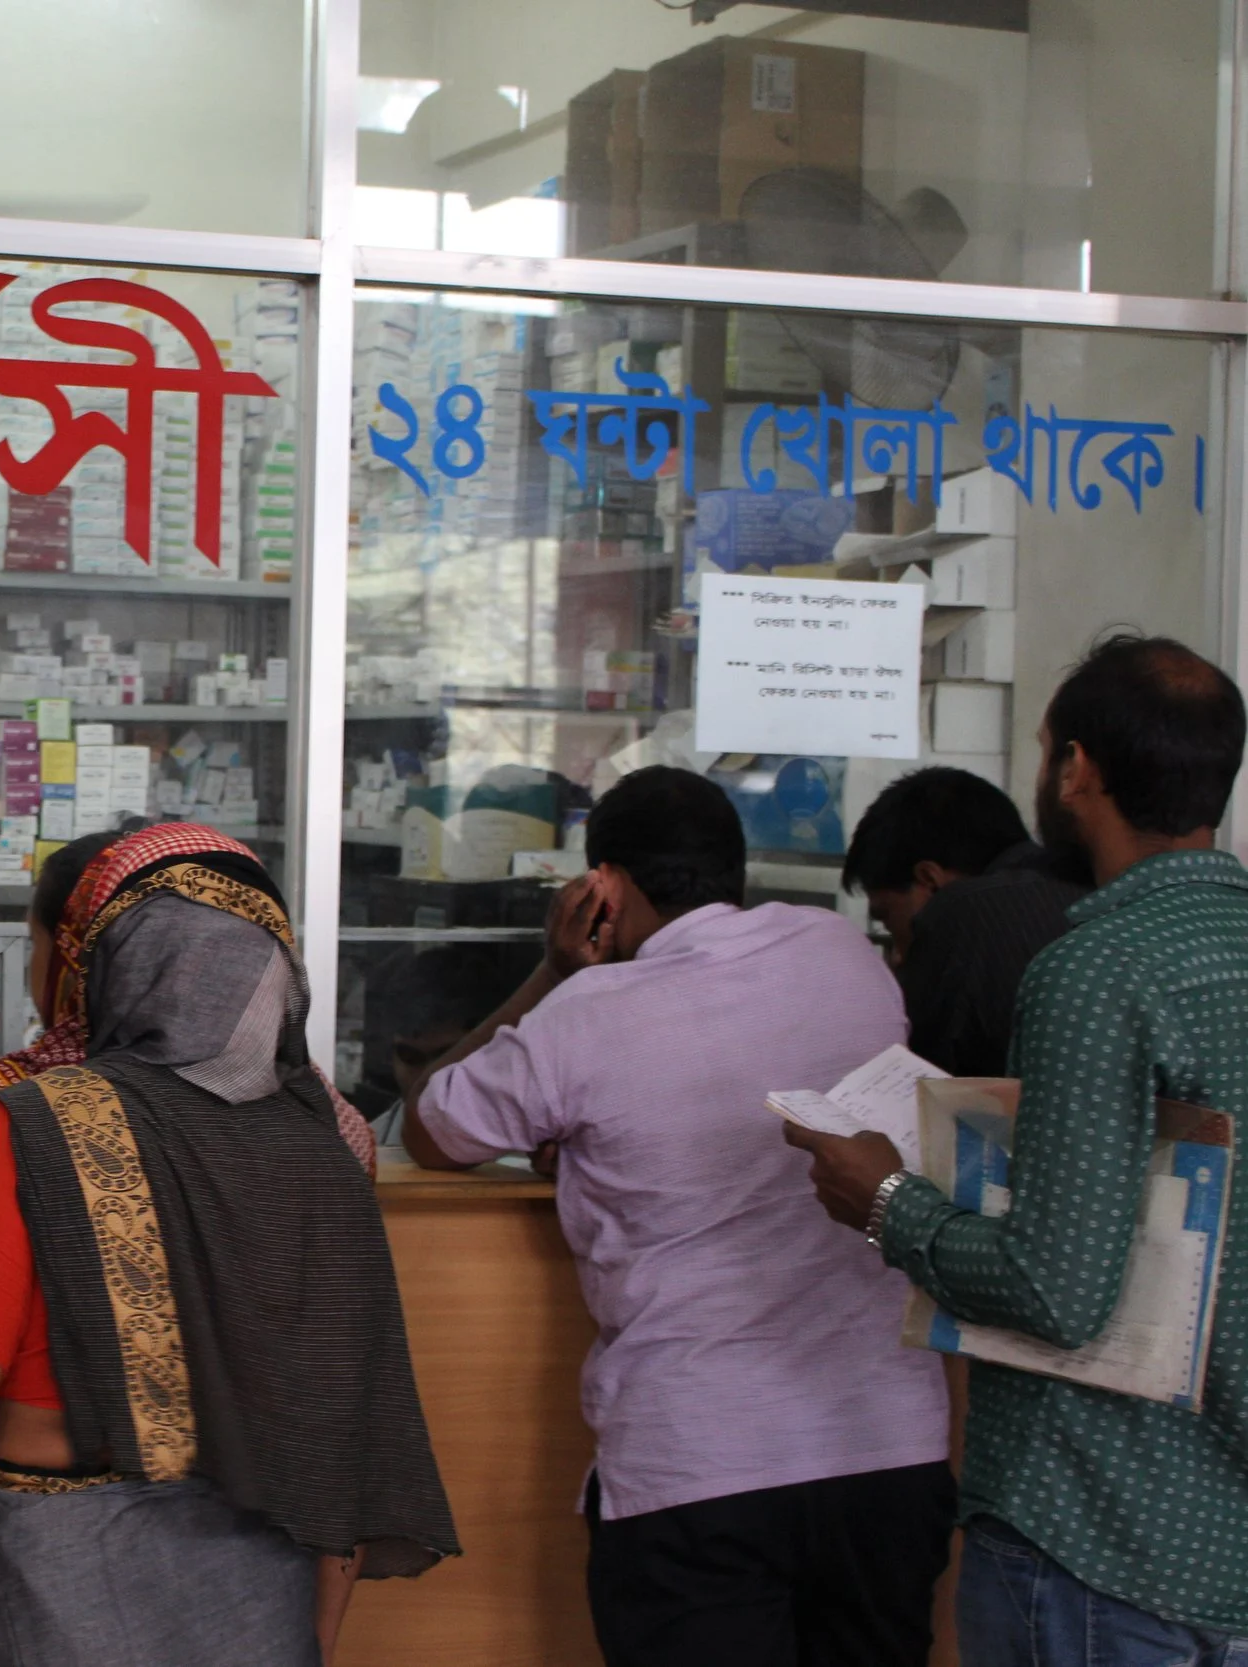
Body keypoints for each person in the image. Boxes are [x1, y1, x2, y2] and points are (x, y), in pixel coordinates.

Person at [0, 821, 454, 1667]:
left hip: (51, 1558)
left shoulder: (35, 1120)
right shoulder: (327, 1138)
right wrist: (309, 1638)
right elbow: (334, 1425)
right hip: (260, 1568)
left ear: (104, 963)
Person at [402, 765, 954, 1667]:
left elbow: (429, 1126)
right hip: (886, 1454)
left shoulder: (584, 1014)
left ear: (602, 888)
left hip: (700, 1467)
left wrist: (553, 970)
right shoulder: (844, 953)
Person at [790, 635, 1248, 1667]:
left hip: (1098, 1524)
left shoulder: (1094, 970)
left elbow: (1056, 1291)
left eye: (1046, 750)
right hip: (1222, 1535)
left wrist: (885, 1198)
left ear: (1075, 768)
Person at [0, 820, 376, 1379]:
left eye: (36, 940)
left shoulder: (31, 1107)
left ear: (80, 957)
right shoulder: (326, 1118)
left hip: (52, 1445)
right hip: (272, 1449)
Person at [843, 765, 1088, 1076]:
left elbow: (922, 1092)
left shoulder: (960, 915)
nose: (898, 955)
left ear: (929, 879)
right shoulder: (1084, 887)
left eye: (889, 921)